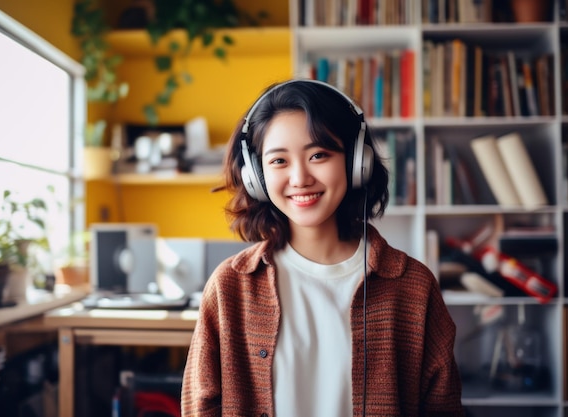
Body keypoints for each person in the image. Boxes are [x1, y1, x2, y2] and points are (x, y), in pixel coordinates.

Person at [181, 79, 465, 416]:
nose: (300, 177)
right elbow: (201, 407)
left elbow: (442, 408)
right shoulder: (230, 286)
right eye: (279, 161)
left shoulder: (412, 287)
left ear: (357, 162)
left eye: (318, 154)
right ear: (255, 177)